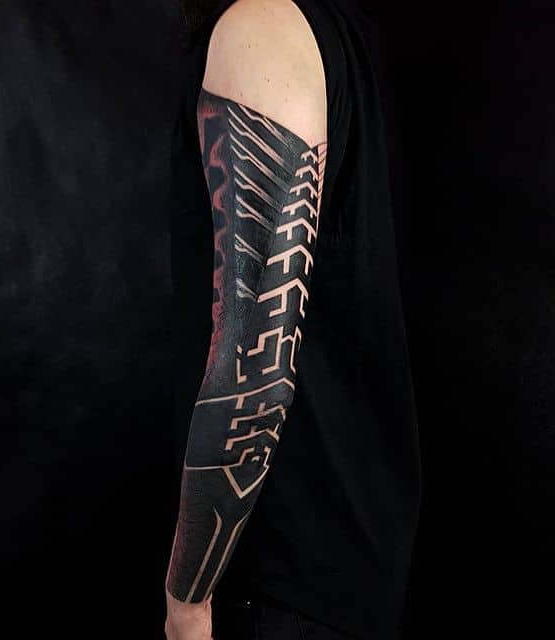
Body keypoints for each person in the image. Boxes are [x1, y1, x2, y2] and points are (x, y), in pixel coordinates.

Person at [166, 1, 421, 638]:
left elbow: (254, 371)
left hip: (276, 582)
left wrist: (188, 602)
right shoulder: (333, 28)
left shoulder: (260, 28)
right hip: (341, 566)